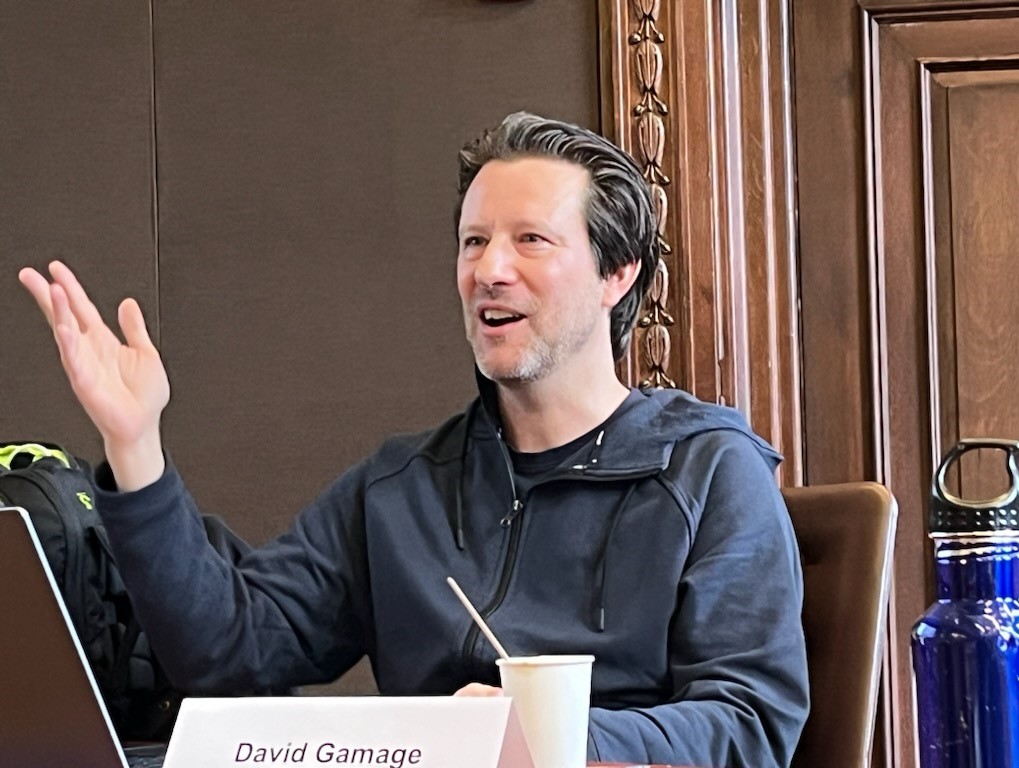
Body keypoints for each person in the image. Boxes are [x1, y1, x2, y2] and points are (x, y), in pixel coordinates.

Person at [20, 112, 809, 768]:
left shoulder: (709, 469)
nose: (489, 270)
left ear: (618, 274)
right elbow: (227, 649)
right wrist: (135, 445)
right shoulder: (402, 485)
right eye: (473, 242)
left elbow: (749, 721)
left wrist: (552, 740)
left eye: (531, 240)